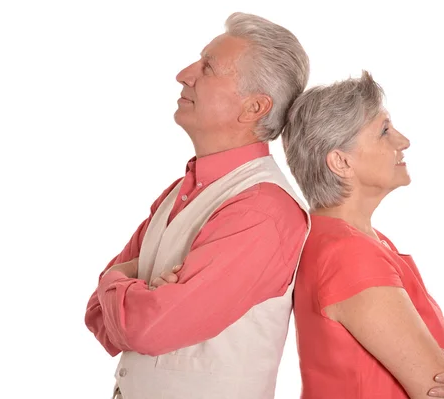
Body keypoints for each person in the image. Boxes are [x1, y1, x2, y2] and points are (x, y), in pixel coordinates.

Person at [84, 12, 311, 399]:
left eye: (208, 67)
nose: (184, 74)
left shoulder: (263, 212)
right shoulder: (180, 191)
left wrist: (114, 280)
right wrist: (136, 291)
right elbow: (98, 317)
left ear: (254, 108)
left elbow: (147, 329)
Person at [281, 71, 444, 399]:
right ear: (340, 161)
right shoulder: (348, 253)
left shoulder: (356, 240)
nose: (403, 141)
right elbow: (439, 390)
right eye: (384, 131)